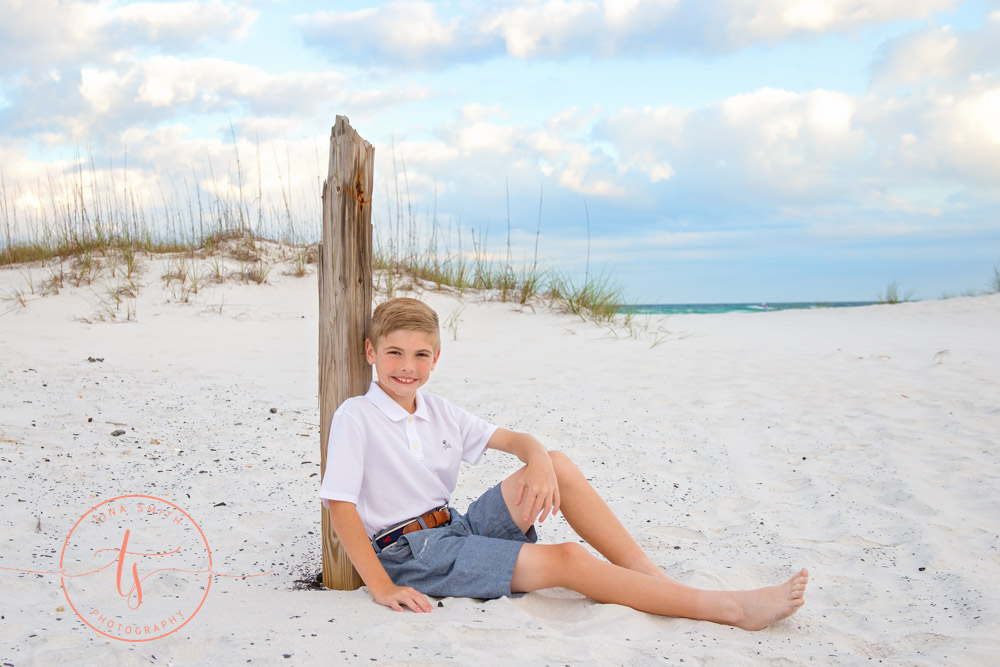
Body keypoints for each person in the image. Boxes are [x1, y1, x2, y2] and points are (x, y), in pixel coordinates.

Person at [319, 297, 808, 630]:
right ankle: (730, 608)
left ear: (436, 358)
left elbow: (517, 440)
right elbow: (339, 505)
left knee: (555, 460)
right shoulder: (357, 416)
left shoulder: (437, 409)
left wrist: (538, 459)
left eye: (420, 354)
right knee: (568, 559)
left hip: (456, 527)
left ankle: (655, 581)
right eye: (394, 353)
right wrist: (380, 587)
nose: (407, 366)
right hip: (411, 554)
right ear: (371, 353)